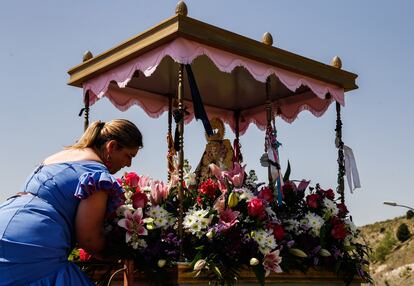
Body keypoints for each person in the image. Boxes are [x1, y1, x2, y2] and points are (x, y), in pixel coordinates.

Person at [0, 119, 143, 285]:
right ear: (111, 147)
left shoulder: (58, 158)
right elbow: (88, 239)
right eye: (128, 155)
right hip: (34, 244)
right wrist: (120, 252)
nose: (128, 164)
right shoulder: (97, 174)